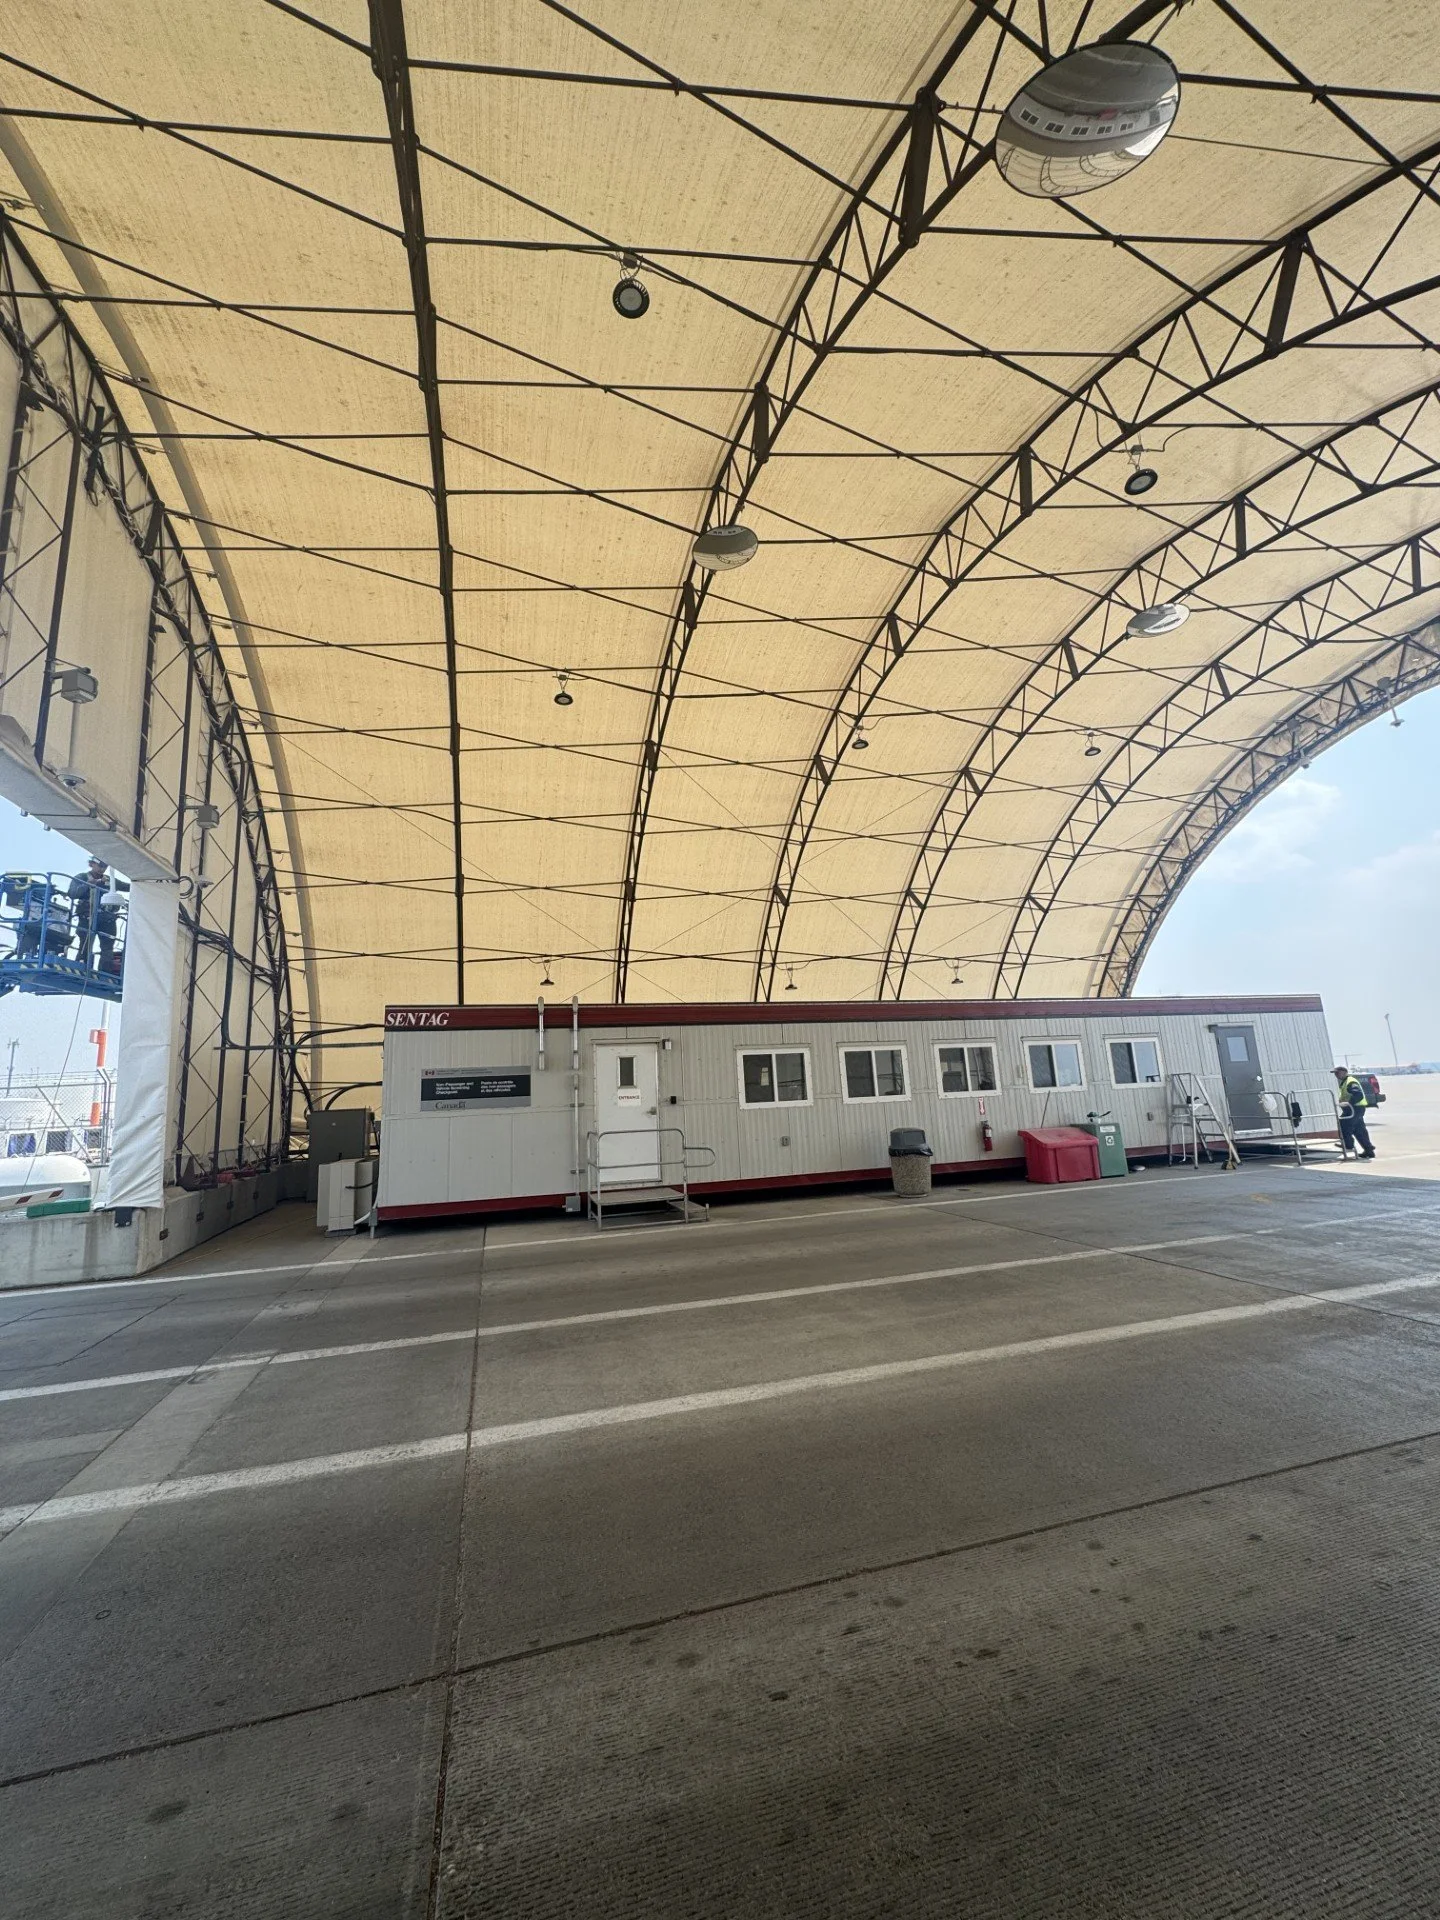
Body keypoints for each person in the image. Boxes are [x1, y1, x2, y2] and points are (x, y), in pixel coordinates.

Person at [68, 857, 117, 969]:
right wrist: (88, 884)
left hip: (106, 918)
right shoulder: (82, 877)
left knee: (107, 948)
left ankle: (105, 973)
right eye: (100, 866)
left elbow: (128, 887)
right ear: (92, 864)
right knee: (85, 944)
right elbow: (72, 893)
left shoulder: (110, 880)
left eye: (105, 867)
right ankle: (82, 968)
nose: (102, 869)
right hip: (87, 917)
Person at [1333, 1066, 1375, 1160]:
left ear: (1344, 1072)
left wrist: (1349, 1103)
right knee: (1359, 1130)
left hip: (1354, 1108)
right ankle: (1369, 1150)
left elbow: (1358, 1094)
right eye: (1335, 1073)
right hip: (1355, 1109)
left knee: (1343, 1124)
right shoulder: (1345, 1082)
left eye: (1338, 1073)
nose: (1336, 1075)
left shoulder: (1350, 1082)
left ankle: (1348, 1144)